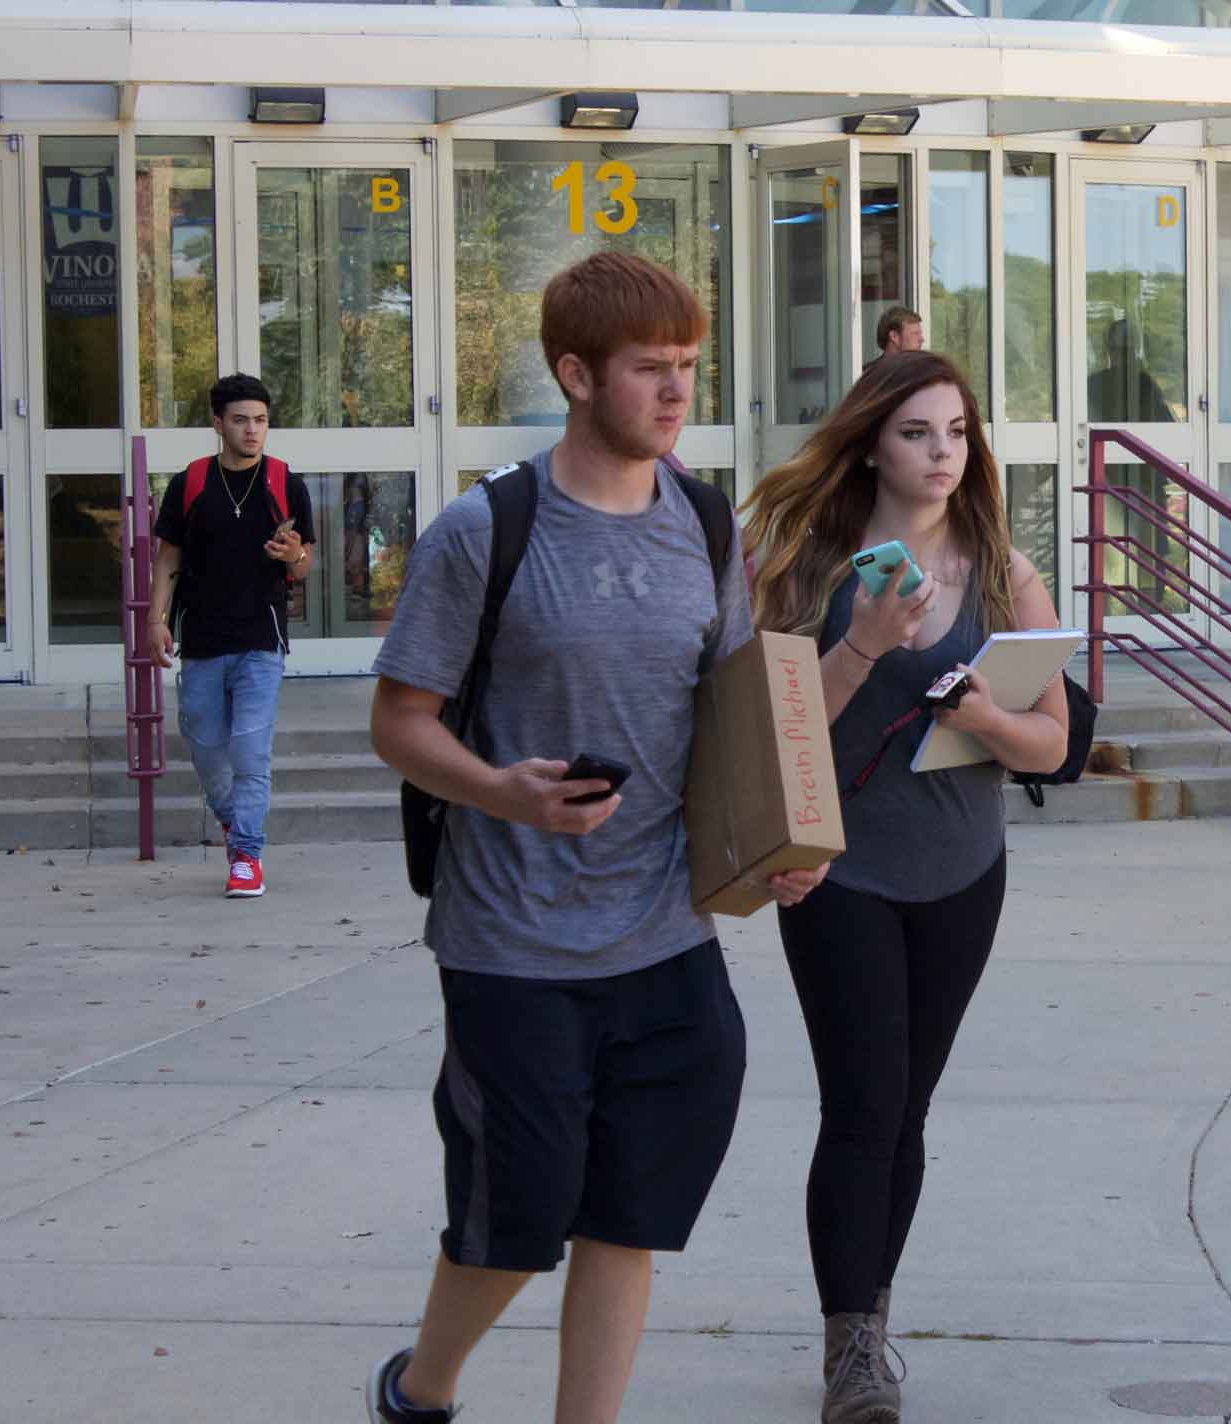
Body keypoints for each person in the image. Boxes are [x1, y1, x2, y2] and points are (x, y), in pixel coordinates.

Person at [362, 252, 824, 1424]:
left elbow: (727, 712)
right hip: (511, 943)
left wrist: (779, 838)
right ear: (575, 374)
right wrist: (499, 790)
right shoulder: (486, 529)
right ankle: (423, 1390)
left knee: (629, 1213)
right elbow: (398, 722)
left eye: (687, 368)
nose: (678, 394)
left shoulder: (707, 523)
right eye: (650, 372)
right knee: (516, 1218)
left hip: (664, 935)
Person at [743, 350, 1067, 1424]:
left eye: (958, 432)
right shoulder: (804, 563)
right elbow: (765, 742)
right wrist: (865, 644)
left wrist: (981, 713)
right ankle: (851, 1351)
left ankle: (872, 1323)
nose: (942, 453)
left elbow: (1051, 745)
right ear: (873, 439)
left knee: (910, 1106)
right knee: (862, 1104)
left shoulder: (1006, 572)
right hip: (836, 869)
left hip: (963, 870)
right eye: (919, 431)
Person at [145, 372, 316, 898]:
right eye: (241, 419)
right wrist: (155, 620)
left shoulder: (285, 482)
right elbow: (168, 556)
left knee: (250, 751)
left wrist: (295, 557)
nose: (252, 430)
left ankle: (246, 854)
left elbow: (306, 564)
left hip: (261, 638)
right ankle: (232, 817)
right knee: (203, 745)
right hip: (201, 636)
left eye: (260, 420)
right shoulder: (189, 482)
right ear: (218, 423)